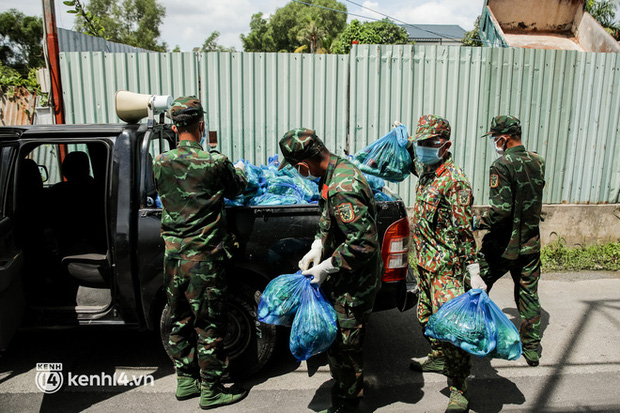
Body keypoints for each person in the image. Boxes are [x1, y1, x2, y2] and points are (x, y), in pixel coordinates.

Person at [153, 96, 249, 409]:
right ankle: (212, 390)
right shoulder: (214, 163)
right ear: (201, 124)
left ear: (173, 125)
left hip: (173, 258)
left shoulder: (160, 162)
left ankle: (185, 381)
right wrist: (239, 170)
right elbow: (237, 187)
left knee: (178, 318)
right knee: (209, 323)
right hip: (204, 259)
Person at [279, 128, 382, 413]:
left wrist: (327, 266)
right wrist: (317, 245)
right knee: (339, 344)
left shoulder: (343, 186)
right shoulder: (333, 173)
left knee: (346, 348)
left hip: (354, 282)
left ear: (303, 165)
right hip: (345, 278)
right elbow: (329, 219)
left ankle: (348, 404)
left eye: (296, 169)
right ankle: (344, 393)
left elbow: (364, 243)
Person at [406, 115, 486, 413]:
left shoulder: (455, 180)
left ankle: (459, 388)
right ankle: (437, 356)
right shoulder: (428, 171)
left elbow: (464, 229)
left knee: (454, 330)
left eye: (428, 143)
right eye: (420, 143)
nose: (422, 148)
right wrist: (399, 141)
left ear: (445, 144)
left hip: (446, 270)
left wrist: (473, 270)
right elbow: (407, 162)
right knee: (426, 319)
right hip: (425, 265)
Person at [474, 115, 546, 367]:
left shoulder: (501, 165)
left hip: (503, 246)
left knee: (476, 286)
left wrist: (479, 221)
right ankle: (532, 349)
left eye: (495, 137)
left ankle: (473, 334)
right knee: (528, 295)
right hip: (530, 243)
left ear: (503, 138)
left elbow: (501, 210)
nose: (494, 141)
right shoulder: (538, 161)